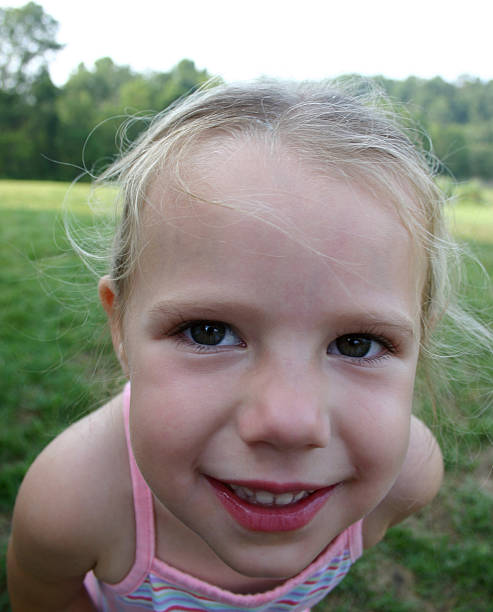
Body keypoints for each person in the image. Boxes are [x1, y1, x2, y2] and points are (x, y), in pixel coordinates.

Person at [8, 78, 453, 611]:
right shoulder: (72, 501)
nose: (289, 422)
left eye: (357, 344)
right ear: (119, 329)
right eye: (208, 332)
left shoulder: (405, 481)